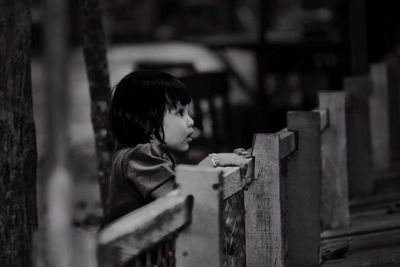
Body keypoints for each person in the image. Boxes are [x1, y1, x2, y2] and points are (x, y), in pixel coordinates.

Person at [102, 70, 249, 227]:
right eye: (180, 113)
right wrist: (216, 160)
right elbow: (180, 197)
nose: (190, 121)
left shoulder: (149, 154)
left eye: (188, 113)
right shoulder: (138, 156)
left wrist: (226, 163)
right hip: (129, 247)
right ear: (148, 120)